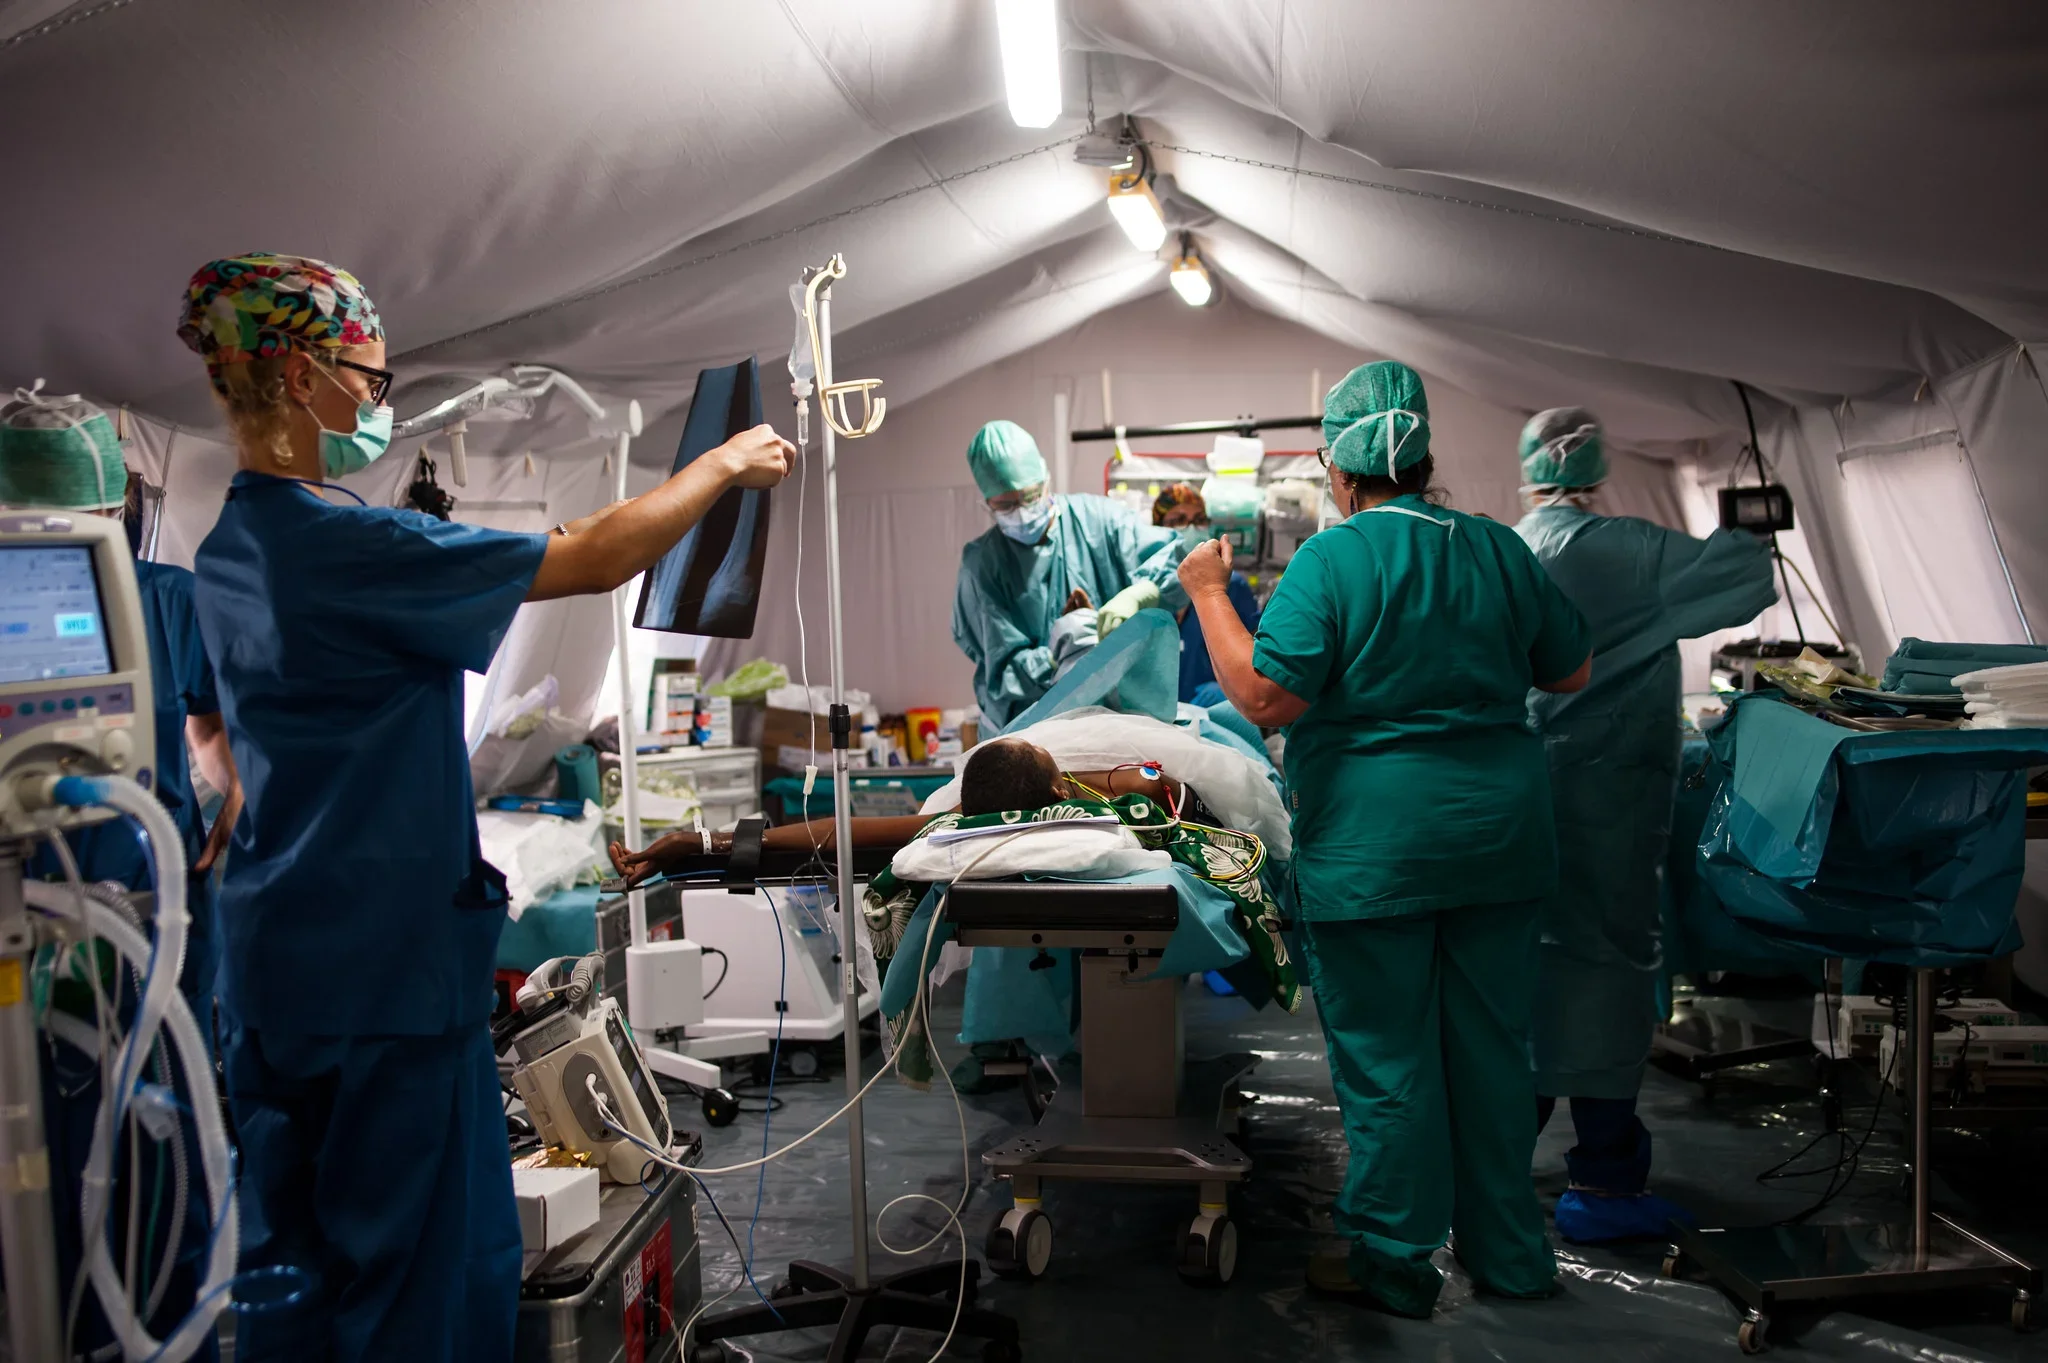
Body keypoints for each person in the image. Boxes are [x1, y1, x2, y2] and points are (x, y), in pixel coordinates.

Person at [177, 252, 794, 1363]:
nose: (377, 399)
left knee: (289, 1269)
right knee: (418, 1276)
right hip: (388, 980)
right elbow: (592, 556)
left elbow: (212, 734)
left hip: (268, 970)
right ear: (301, 374)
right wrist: (719, 464)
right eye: (367, 375)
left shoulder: (226, 549)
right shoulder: (351, 545)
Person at [1180, 360, 1593, 1319]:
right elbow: (1568, 671)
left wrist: (1209, 590)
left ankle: (1396, 1257)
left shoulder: (1334, 559)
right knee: (1493, 1051)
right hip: (1498, 841)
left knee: (1390, 1056)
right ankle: (1511, 1256)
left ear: (1338, 466)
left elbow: (1265, 694)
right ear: (1425, 455)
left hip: (1379, 849)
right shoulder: (1495, 547)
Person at [1, 387, 243, 1362]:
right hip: (76, 935)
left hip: (142, 943)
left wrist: (219, 818)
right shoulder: (161, 595)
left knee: (146, 1175)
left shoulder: (170, 601)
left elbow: (217, 731)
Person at [1513, 407, 1778, 1243]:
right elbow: (1745, 575)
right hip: (1609, 800)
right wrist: (1747, 509)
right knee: (1607, 971)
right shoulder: (1629, 550)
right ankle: (1604, 1178)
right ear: (1598, 467)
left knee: (1519, 974)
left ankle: (1491, 1166)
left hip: (1520, 795)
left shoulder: (1504, 549)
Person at [953, 420, 1189, 728]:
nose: (1023, 511)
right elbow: (1000, 670)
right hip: (1031, 730)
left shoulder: (1101, 521)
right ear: (987, 503)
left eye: (1030, 496)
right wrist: (1056, 655)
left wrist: (1142, 593)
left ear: (1046, 480)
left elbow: (1181, 561)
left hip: (1120, 719)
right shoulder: (982, 565)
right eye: (1007, 504)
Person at [1153, 482, 1260, 706]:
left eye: (1199, 519)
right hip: (1156, 715)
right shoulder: (1148, 590)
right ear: (1157, 528)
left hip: (1214, 710)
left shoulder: (1232, 585)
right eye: (1179, 520)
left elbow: (1255, 662)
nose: (1191, 527)